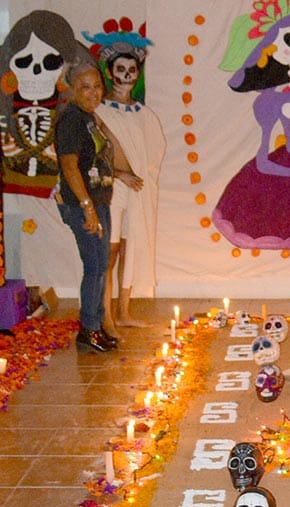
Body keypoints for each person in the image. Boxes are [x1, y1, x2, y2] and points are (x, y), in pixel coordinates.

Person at [95, 39, 166, 334]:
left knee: (130, 248)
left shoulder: (143, 113)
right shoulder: (99, 110)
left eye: (132, 69)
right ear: (110, 72)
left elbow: (154, 153)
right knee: (109, 252)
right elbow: (94, 152)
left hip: (136, 191)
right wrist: (119, 173)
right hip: (111, 188)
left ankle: (123, 312)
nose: (126, 74)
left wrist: (140, 177)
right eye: (121, 68)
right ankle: (105, 316)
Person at [55, 61, 117, 353]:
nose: (93, 93)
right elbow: (69, 166)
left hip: (96, 201)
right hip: (82, 205)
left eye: (97, 86)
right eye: (85, 87)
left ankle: (96, 327)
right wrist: (87, 207)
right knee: (94, 267)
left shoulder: (87, 117)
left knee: (100, 266)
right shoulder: (71, 120)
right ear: (72, 90)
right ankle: (89, 331)